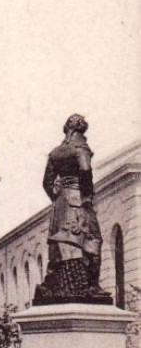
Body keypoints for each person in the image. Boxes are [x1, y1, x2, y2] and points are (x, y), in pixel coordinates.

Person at [35, 114, 110, 304]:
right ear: (80, 129)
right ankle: (92, 286)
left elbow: (46, 182)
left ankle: (54, 283)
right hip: (78, 199)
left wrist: (58, 198)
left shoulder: (55, 152)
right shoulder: (81, 149)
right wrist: (86, 197)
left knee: (59, 244)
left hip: (60, 204)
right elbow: (85, 170)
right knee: (93, 240)